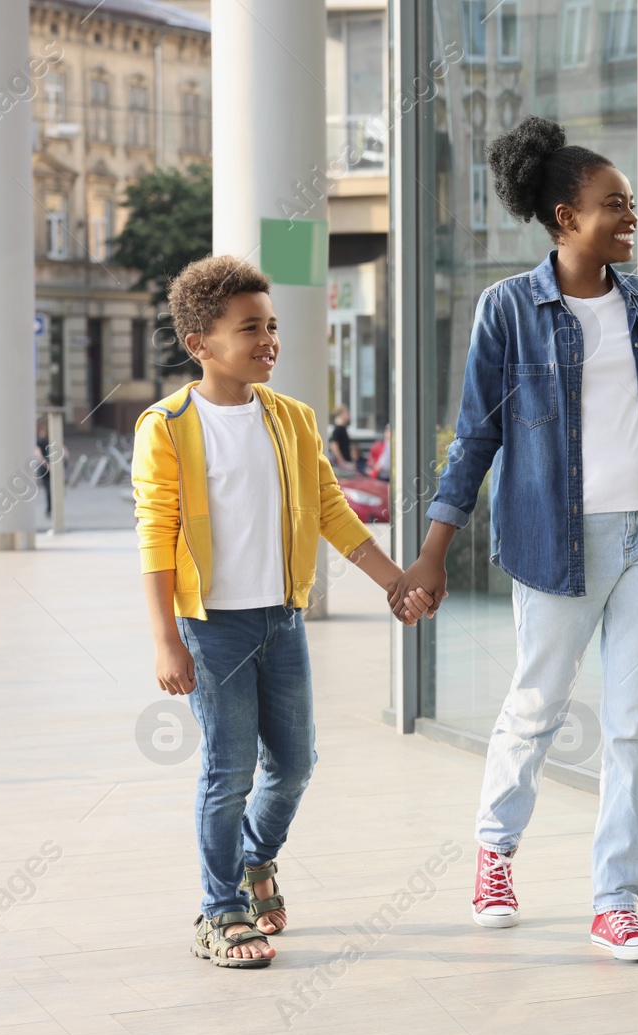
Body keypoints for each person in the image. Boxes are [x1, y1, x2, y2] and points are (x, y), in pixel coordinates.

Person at [390, 116, 638, 961]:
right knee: (538, 705)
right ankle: (496, 854)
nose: (629, 218)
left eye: (629, 205)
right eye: (611, 205)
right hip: (554, 539)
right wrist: (433, 547)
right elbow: (476, 435)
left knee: (637, 723)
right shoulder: (508, 308)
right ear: (562, 216)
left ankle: (615, 899)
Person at [133, 255, 432, 968]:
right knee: (228, 769)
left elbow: (331, 512)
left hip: (281, 620)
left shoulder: (293, 419)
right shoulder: (167, 426)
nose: (268, 339)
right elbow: (154, 534)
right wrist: (164, 640)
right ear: (200, 342)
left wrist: (394, 581)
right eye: (249, 328)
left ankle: (255, 859)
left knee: (294, 763)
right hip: (211, 627)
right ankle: (220, 910)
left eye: (271, 326)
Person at [328, 405, 365, 474]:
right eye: (347, 413)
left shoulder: (343, 429)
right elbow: (334, 446)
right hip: (342, 465)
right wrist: (342, 462)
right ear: (341, 414)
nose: (349, 416)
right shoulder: (338, 430)